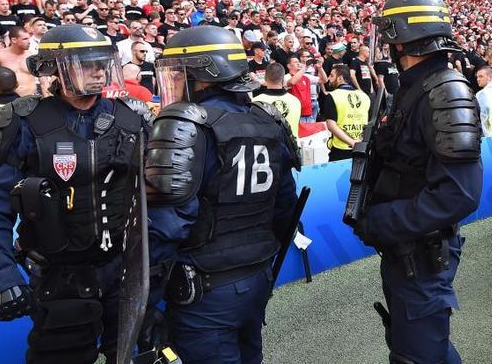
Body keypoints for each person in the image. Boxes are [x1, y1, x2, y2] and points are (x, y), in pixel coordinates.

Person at [0, 24, 153, 364]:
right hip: (58, 278)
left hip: (125, 272)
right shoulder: (22, 122)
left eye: (102, 62)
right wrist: (2, 275)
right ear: (54, 68)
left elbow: (153, 197)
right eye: (88, 63)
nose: (99, 71)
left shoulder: (132, 118)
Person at [147, 25, 299, 363]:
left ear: (200, 74)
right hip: (256, 275)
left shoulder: (188, 124)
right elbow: (284, 207)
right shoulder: (267, 120)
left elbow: (166, 226)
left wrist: (145, 301)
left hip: (205, 288)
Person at [353, 0, 482, 364]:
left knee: (418, 355)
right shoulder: (415, 88)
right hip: (406, 246)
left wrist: (381, 221)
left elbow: (459, 194)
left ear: (403, 39)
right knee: (423, 350)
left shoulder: (443, 91)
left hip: (421, 250)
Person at [322, 64, 370, 162]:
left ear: (340, 78)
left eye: (331, 75)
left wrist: (352, 143)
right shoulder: (364, 96)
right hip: (361, 147)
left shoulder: (333, 96)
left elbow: (331, 125)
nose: (328, 79)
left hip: (340, 149)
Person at [253, 62, 301, 137]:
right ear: (283, 78)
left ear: (265, 78)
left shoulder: (255, 102)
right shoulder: (295, 101)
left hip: (266, 147)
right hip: (291, 147)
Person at [0, 26, 39, 96]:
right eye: (25, 39)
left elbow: (43, 81)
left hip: (31, 98)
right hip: (8, 100)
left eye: (29, 38)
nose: (29, 42)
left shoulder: (32, 56)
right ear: (14, 40)